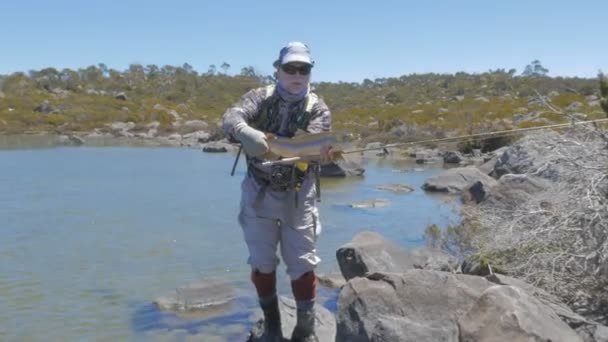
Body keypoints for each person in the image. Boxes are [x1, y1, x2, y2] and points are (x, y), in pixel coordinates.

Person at [222, 41, 332, 342]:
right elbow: (231, 118)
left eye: (303, 69)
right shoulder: (259, 97)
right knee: (262, 262)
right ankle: (272, 325)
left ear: (310, 72)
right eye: (290, 68)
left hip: (299, 194)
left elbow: (313, 146)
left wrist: (322, 155)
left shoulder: (318, 109)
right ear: (278, 70)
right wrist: (245, 132)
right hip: (259, 190)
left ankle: (305, 327)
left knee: (303, 263)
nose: (297, 74)